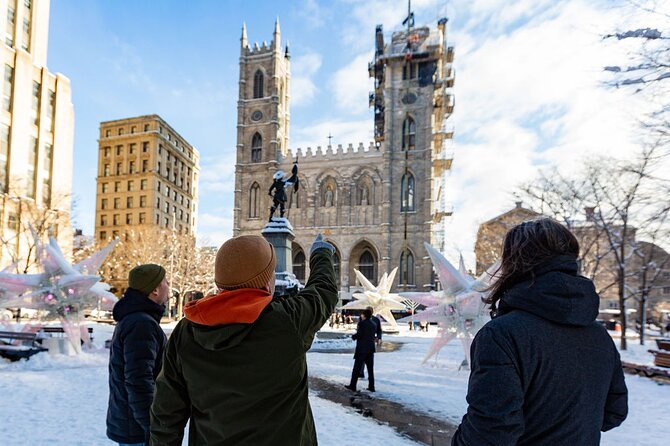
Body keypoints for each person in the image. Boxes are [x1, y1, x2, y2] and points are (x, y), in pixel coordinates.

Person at [451, 218, 628, 445]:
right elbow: (614, 413)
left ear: (513, 263)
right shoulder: (599, 335)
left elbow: (490, 433)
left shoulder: (501, 335)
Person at [150, 234, 337, 445]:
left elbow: (166, 413)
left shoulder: (187, 331)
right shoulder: (287, 321)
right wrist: (321, 253)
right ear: (266, 282)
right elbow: (323, 292)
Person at [106, 264, 169, 446]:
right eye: (164, 281)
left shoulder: (136, 319)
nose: (168, 284)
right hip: (137, 431)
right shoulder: (142, 324)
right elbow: (138, 380)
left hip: (131, 426)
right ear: (155, 290)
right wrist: (152, 428)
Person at [345, 308, 377, 393]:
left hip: (362, 349)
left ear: (364, 315)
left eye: (362, 314)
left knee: (356, 368)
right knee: (370, 369)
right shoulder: (374, 324)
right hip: (371, 349)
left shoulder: (362, 323)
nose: (361, 316)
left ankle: (353, 385)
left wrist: (353, 337)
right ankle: (371, 386)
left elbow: (360, 334)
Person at [358, 306, 382, 378]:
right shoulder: (362, 319)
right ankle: (361, 372)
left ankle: (370, 376)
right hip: (363, 341)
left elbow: (379, 330)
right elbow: (359, 329)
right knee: (362, 358)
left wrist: (378, 337)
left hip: (371, 341)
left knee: (368, 360)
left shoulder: (376, 320)